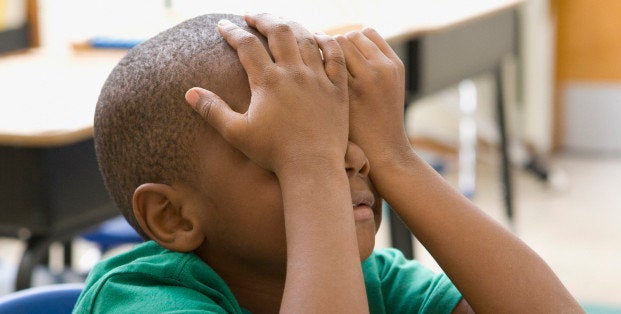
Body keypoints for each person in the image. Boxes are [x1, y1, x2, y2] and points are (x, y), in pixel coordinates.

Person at [73, 12, 583, 313]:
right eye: (285, 150)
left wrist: (396, 157)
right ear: (174, 216)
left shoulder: (375, 281)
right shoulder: (139, 298)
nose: (353, 159)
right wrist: (313, 166)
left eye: (346, 131)